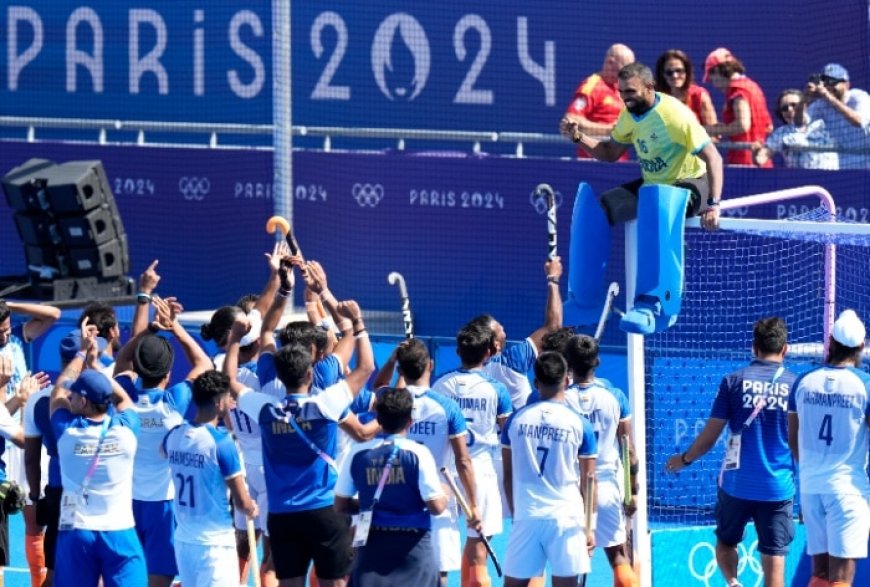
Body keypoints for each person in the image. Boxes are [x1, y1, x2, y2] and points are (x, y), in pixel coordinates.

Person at [229, 260, 375, 587]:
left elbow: (263, 335)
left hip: (281, 512)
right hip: (326, 507)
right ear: (311, 367)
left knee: (283, 578)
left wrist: (284, 290)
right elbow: (363, 364)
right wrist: (331, 300)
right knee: (335, 582)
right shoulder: (326, 399)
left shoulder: (265, 401)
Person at [559, 61, 724, 335]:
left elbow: (714, 158)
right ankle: (585, 301)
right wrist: (579, 137)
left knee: (655, 200)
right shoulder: (628, 115)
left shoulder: (675, 115)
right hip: (654, 187)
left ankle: (653, 303)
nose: (625, 97)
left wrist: (713, 204)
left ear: (650, 87)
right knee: (599, 210)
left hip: (693, 184)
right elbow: (610, 153)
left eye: (631, 91)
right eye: (622, 92)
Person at [667, 317, 797, 587]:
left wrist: (684, 459)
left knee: (726, 542)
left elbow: (708, 438)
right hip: (777, 488)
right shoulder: (796, 386)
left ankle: (733, 583)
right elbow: (800, 444)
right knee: (775, 571)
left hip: (736, 486)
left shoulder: (733, 382)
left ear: (753, 347)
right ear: (785, 349)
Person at [114, 294, 212, 587]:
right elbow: (203, 362)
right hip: (164, 506)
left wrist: (152, 330)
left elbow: (122, 359)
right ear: (168, 376)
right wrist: (175, 327)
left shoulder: (125, 398)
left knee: (126, 577)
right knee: (160, 579)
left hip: (126, 502)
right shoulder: (173, 403)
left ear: (137, 370)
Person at [373, 339, 481, 587]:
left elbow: (378, 384)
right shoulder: (447, 408)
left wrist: (391, 360)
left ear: (400, 370)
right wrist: (474, 506)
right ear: (430, 365)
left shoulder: (390, 402)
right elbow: (463, 460)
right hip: (437, 500)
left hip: (395, 499)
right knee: (439, 575)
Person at [50, 322, 145, 587]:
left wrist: (82, 355)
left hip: (77, 531)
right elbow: (123, 399)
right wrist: (97, 369)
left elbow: (58, 391)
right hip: (119, 531)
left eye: (76, 395)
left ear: (84, 402)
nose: (71, 398)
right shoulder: (127, 432)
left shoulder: (67, 433)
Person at [788, 309, 870, 587]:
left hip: (811, 487)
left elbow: (793, 436)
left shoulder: (802, 382)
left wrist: (809, 470)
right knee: (842, 578)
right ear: (861, 347)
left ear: (830, 343)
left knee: (820, 573)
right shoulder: (865, 385)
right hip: (848, 489)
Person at [501, 352, 598, 587]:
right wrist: (590, 527)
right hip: (566, 517)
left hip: (528, 514)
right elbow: (589, 479)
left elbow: (507, 477)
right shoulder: (580, 425)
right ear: (567, 380)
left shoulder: (514, 421)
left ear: (536, 382)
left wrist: (518, 514)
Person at [334, 387, 447, 587]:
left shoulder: (357, 453)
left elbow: (341, 505)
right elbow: (436, 507)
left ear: (378, 420)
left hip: (372, 543)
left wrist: (369, 505)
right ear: (410, 422)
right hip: (414, 547)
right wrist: (445, 492)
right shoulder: (419, 453)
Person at [432, 320, 513, 587]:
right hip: (480, 471)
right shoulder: (496, 389)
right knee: (479, 546)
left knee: (441, 552)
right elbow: (508, 433)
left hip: (446, 474)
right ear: (489, 351)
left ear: (458, 351)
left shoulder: (440, 385)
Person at [23, 330, 106, 587]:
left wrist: (36, 496)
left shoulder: (37, 401)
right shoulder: (100, 401)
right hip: (98, 494)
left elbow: (31, 458)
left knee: (55, 569)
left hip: (59, 493)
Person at [162, 370, 258, 587]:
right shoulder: (221, 443)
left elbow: (163, 452)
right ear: (218, 402)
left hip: (184, 540)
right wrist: (252, 508)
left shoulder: (174, 435)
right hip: (215, 545)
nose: (231, 401)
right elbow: (242, 502)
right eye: (227, 397)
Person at [559, 335, 638, 587]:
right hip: (606, 488)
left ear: (568, 364)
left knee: (566, 565)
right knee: (618, 556)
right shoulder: (614, 396)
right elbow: (629, 450)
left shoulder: (559, 400)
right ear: (598, 361)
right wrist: (632, 492)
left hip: (569, 489)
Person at [0, 299, 58, 587]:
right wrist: (20, 398)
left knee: (40, 520)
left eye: (7, 329)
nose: (4, 336)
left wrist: (7, 305)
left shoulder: (18, 339)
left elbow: (53, 314)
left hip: (28, 435)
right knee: (28, 521)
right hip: (9, 444)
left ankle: (42, 580)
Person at [562, 43, 635, 160]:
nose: (629, 74)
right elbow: (571, 120)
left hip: (620, 162)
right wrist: (610, 129)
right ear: (610, 63)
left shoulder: (623, 88)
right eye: (626, 68)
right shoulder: (591, 86)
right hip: (593, 161)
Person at [702, 47, 774, 167]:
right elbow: (769, 127)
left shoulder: (737, 91)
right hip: (763, 162)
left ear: (718, 71)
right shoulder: (753, 87)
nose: (713, 84)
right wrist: (724, 127)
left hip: (743, 163)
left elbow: (742, 126)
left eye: (711, 78)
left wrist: (709, 130)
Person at [805, 63, 870, 169]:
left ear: (847, 85)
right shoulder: (821, 104)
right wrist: (806, 98)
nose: (828, 86)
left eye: (832, 81)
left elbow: (858, 121)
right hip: (844, 162)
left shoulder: (859, 96)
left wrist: (827, 96)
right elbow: (800, 126)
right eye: (825, 82)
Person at [754, 89, 838, 170]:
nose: (789, 110)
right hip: (800, 178)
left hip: (830, 176)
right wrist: (757, 156)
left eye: (794, 105)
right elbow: (764, 154)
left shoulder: (823, 124)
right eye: (784, 108)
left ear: (804, 105)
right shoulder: (780, 133)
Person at [654, 49, 717, 125]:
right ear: (662, 75)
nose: (675, 76)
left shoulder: (699, 95)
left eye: (679, 70)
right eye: (669, 72)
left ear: (687, 72)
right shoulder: (655, 98)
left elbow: (713, 132)